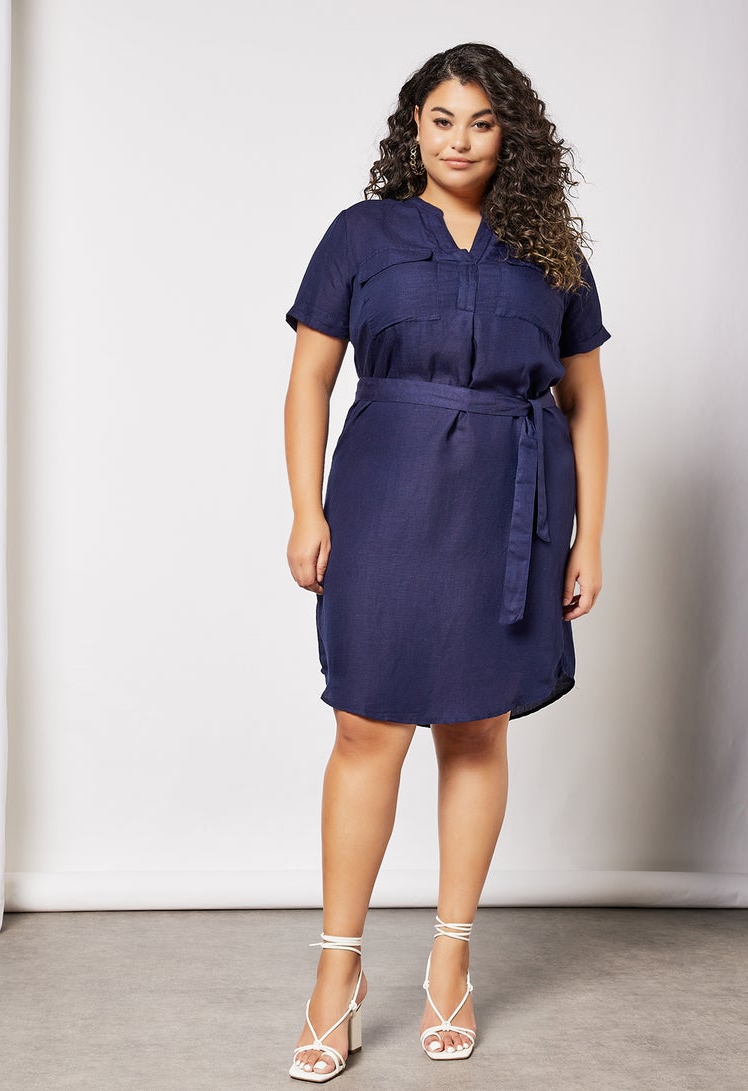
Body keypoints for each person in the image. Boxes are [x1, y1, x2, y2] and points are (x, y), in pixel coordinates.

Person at [283, 41, 611, 1081]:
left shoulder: (547, 247)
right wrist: (305, 509)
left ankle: (450, 959)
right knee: (364, 725)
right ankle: (337, 971)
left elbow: (584, 400)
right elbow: (308, 380)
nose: (459, 140)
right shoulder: (361, 233)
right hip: (382, 496)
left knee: (474, 727)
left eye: (481, 121)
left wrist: (589, 535)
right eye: (441, 119)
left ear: (510, 134)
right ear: (413, 127)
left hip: (509, 508)